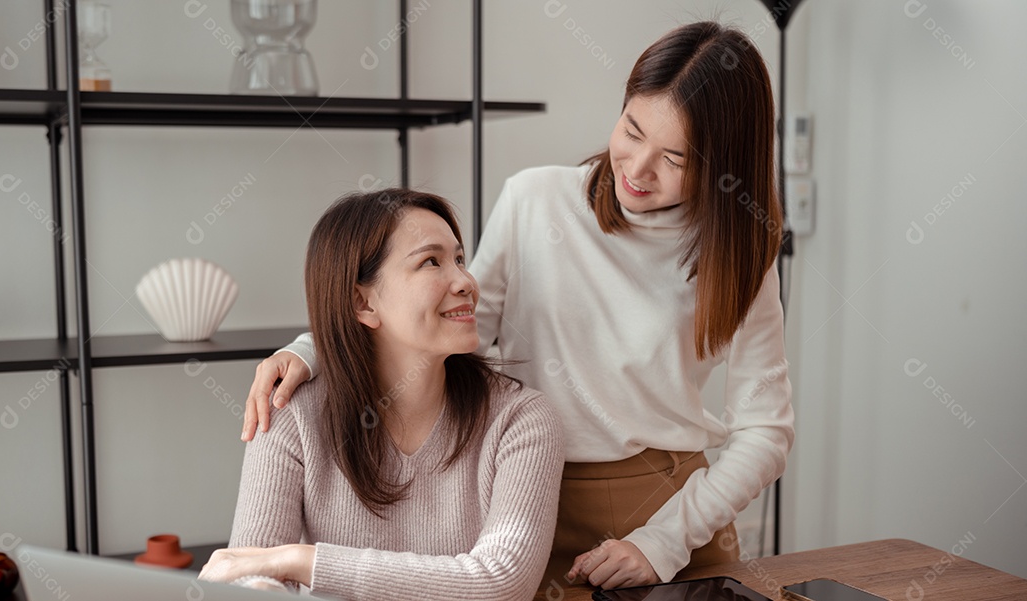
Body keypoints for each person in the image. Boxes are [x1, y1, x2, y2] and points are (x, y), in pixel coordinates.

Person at [240, 20, 794, 593]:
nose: (636, 168)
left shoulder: (742, 251)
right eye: (631, 130)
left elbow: (766, 431)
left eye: (675, 159)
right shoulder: (537, 200)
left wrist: (664, 541)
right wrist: (314, 347)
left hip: (677, 516)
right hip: (533, 496)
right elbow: (447, 321)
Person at [200, 189, 565, 600]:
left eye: (459, 259)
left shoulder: (522, 420)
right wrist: (270, 577)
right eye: (431, 262)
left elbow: (501, 584)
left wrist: (302, 562)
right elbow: (249, 578)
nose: (466, 282)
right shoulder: (289, 411)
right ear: (363, 302)